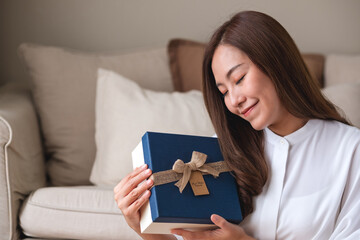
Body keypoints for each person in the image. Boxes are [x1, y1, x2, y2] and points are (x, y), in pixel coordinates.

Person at [114, 11, 360, 240]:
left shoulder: (350, 150)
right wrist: (144, 228)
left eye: (239, 79)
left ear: (277, 61)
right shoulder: (219, 152)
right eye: (223, 91)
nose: (234, 101)